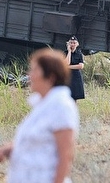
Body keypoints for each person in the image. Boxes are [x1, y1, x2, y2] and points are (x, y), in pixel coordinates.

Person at [0, 47, 79, 183]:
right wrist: (11, 149)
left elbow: (65, 156)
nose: (29, 75)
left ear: (51, 77)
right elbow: (41, 142)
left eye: (34, 70)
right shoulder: (42, 105)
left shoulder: (61, 107)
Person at [65, 36, 85, 101]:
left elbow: (81, 66)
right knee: (66, 96)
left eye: (74, 43)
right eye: (71, 43)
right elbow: (66, 63)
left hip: (76, 77)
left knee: (74, 97)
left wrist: (69, 67)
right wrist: (69, 52)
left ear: (77, 44)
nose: (72, 44)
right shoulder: (65, 53)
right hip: (67, 76)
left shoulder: (79, 54)